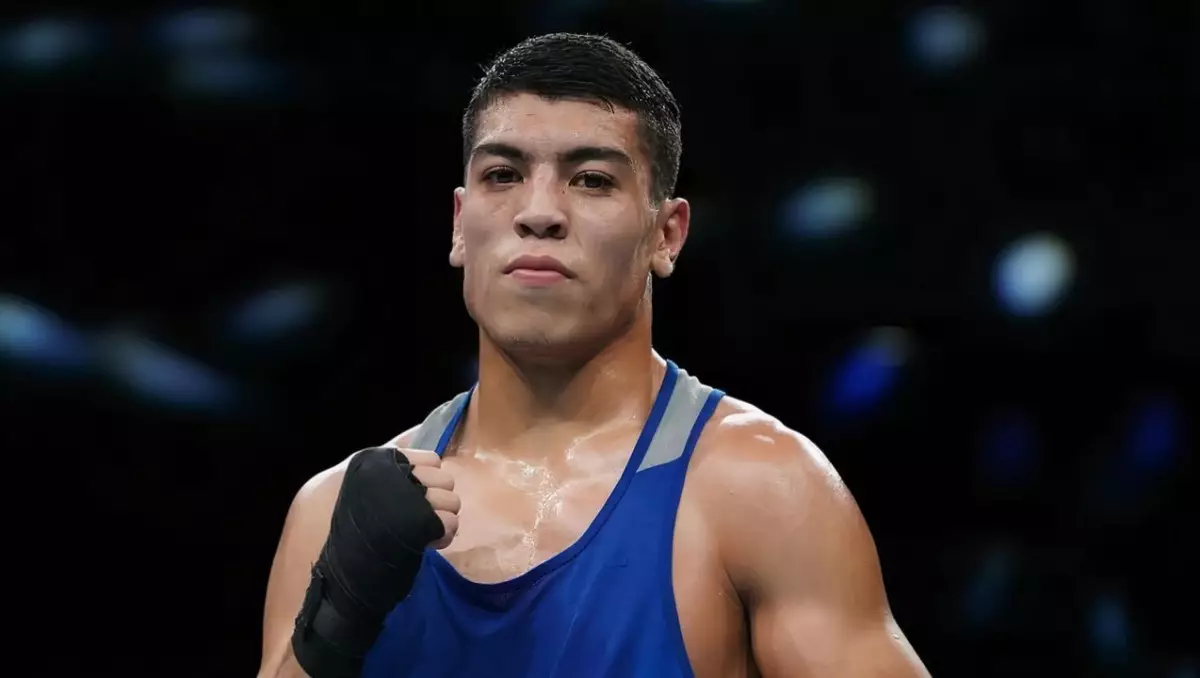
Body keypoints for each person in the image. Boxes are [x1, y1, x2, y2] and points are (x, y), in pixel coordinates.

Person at [257, 32, 930, 678]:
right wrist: (340, 610)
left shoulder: (758, 489)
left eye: (591, 180)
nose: (539, 212)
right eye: (502, 174)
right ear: (460, 224)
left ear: (666, 235)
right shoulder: (331, 510)